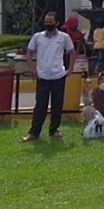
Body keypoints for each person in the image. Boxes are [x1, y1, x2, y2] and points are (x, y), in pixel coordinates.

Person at [21, 11, 74, 142]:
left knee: (57, 104)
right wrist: (32, 69)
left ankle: (54, 129)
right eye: (46, 22)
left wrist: (70, 69)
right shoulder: (37, 37)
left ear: (57, 23)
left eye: (50, 22)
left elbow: (72, 52)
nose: (48, 24)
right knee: (40, 105)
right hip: (42, 76)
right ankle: (34, 132)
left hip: (58, 76)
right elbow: (29, 52)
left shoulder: (64, 37)